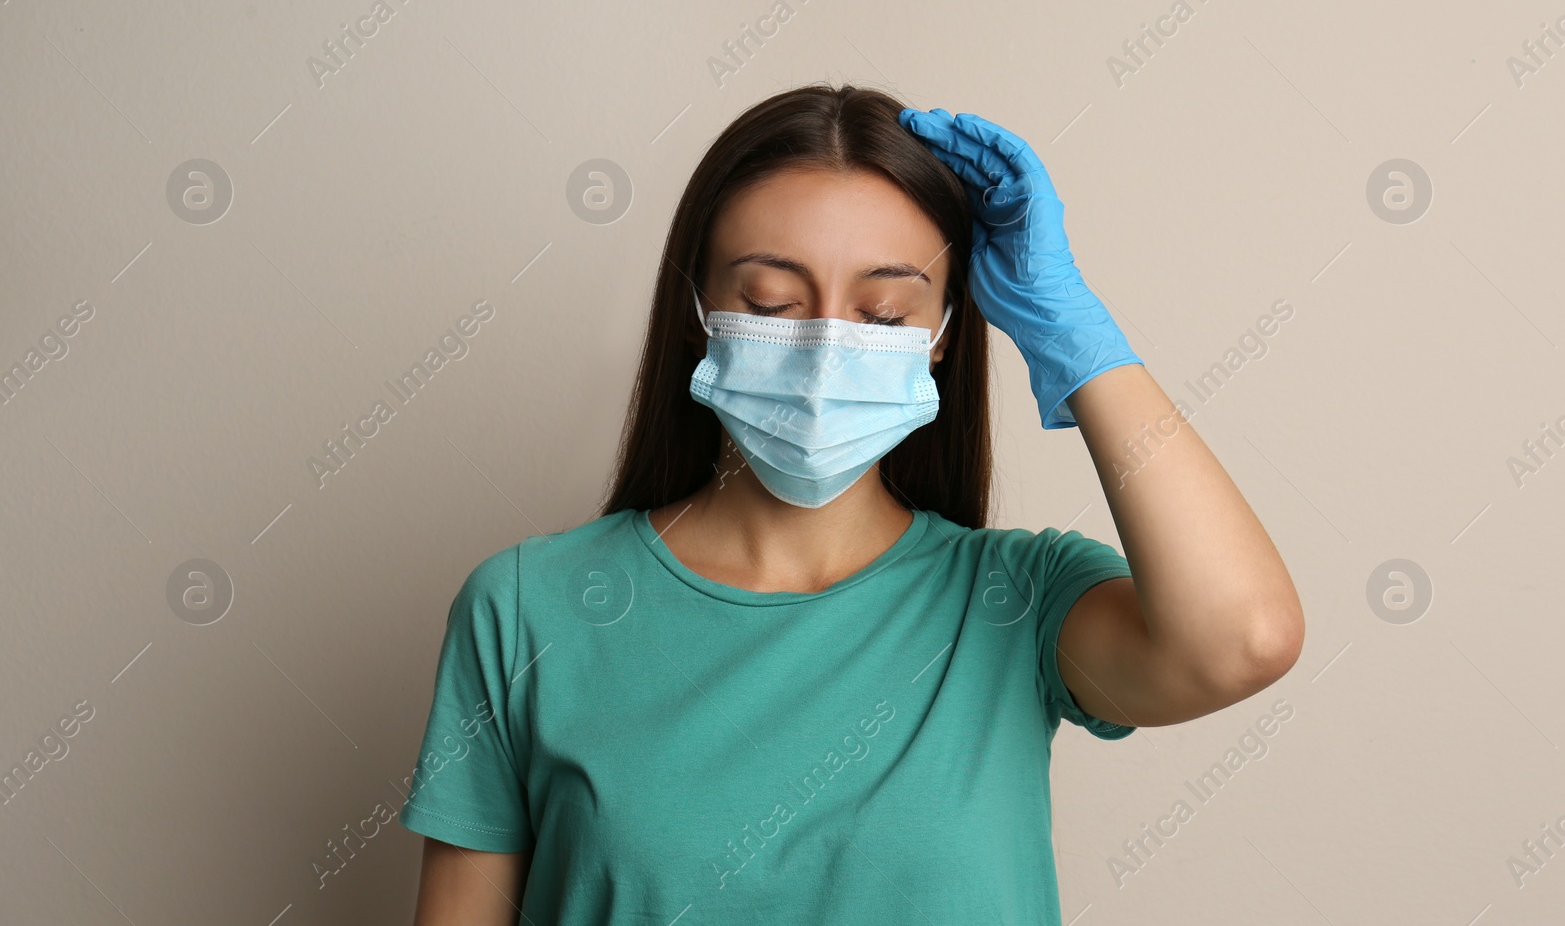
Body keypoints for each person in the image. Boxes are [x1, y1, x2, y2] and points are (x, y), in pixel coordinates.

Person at [397, 83, 1304, 924]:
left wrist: (1068, 330)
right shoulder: (526, 608)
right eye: (774, 300)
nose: (827, 349)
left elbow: (1245, 637)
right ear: (698, 310)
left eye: (881, 315)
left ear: (945, 338)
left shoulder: (1013, 602)